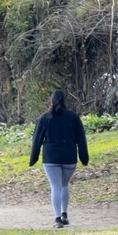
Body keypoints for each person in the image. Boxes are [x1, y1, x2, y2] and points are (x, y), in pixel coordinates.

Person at [28, 89, 89, 227]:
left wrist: (33, 158)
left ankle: (57, 218)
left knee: (55, 187)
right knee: (64, 185)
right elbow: (81, 139)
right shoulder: (73, 117)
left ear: (51, 101)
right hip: (69, 157)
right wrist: (84, 157)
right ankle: (64, 214)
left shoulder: (44, 118)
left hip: (51, 158)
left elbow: (37, 140)